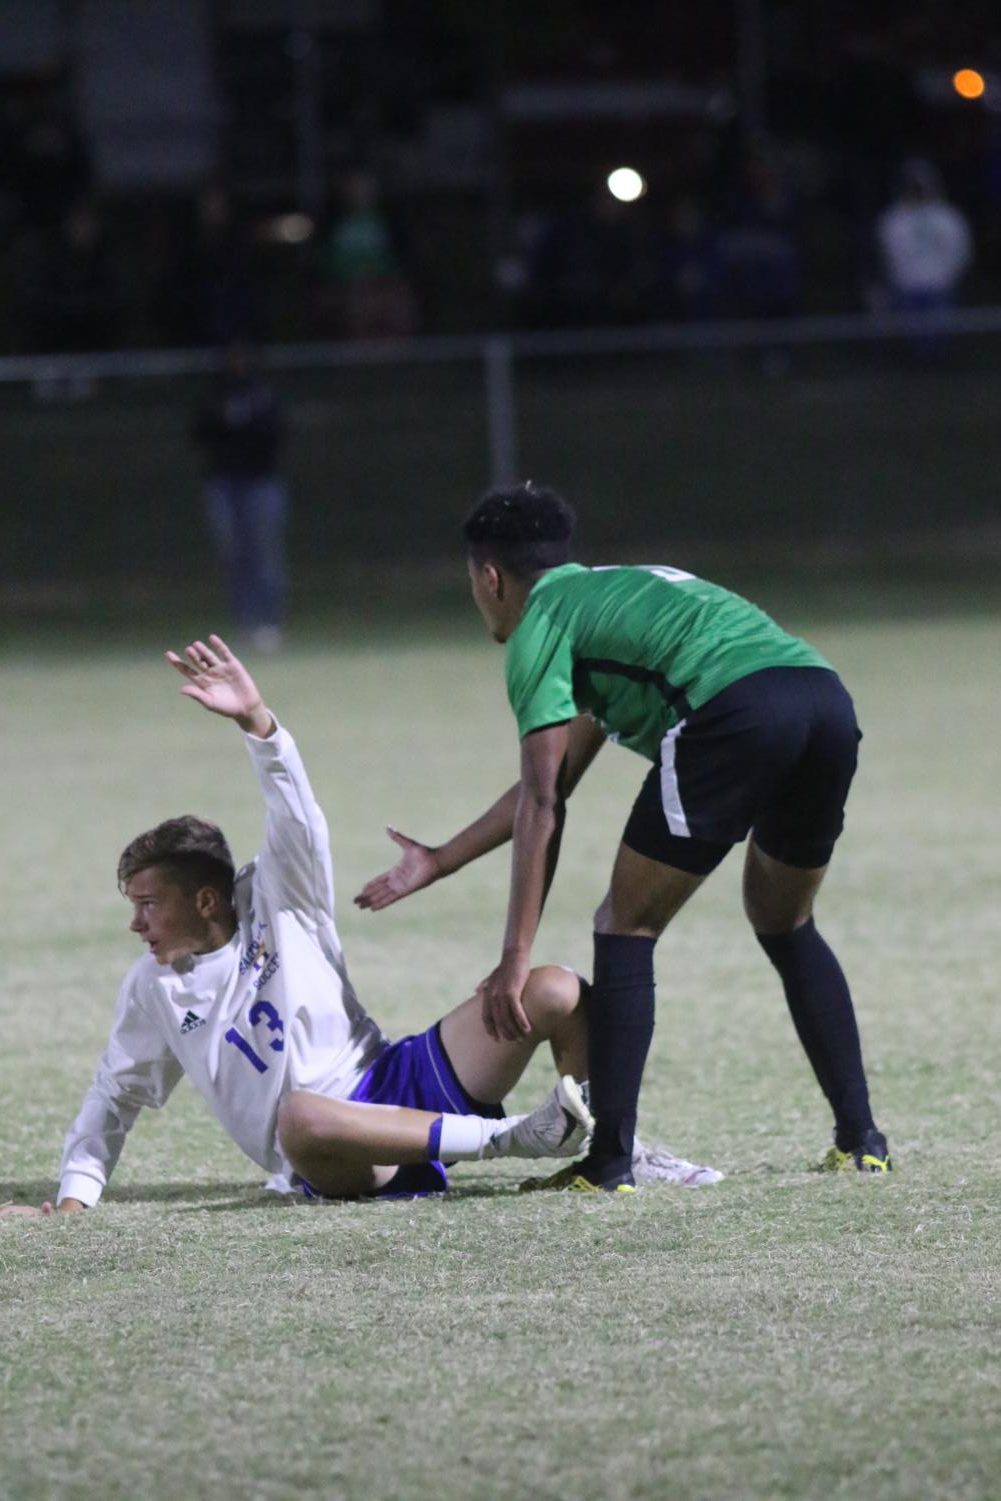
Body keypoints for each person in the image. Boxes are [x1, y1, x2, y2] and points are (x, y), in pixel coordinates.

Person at [356, 484, 891, 1193]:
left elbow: (545, 802)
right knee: (784, 921)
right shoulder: (610, 598)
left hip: (735, 709)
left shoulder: (539, 623)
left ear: (489, 578)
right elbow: (556, 778)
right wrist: (439, 858)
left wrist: (513, 958)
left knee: (623, 925)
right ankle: (862, 1140)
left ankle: (609, 1161)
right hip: (821, 700)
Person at [0, 634, 600, 1223]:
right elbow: (114, 1096)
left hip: (393, 1079)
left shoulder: (280, 897)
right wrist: (73, 1200)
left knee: (556, 991)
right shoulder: (153, 988)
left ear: (207, 899)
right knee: (300, 1117)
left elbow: (298, 815)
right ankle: (513, 1137)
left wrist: (258, 724)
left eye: (149, 905)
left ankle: (609, 1151)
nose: (137, 924)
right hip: (332, 1152)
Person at [191, 345, 288, 652]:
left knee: (265, 553)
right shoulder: (215, 396)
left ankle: (270, 623)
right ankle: (244, 624)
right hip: (224, 483)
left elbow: (278, 434)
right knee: (234, 555)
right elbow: (198, 433)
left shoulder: (264, 396)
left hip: (260, 482)